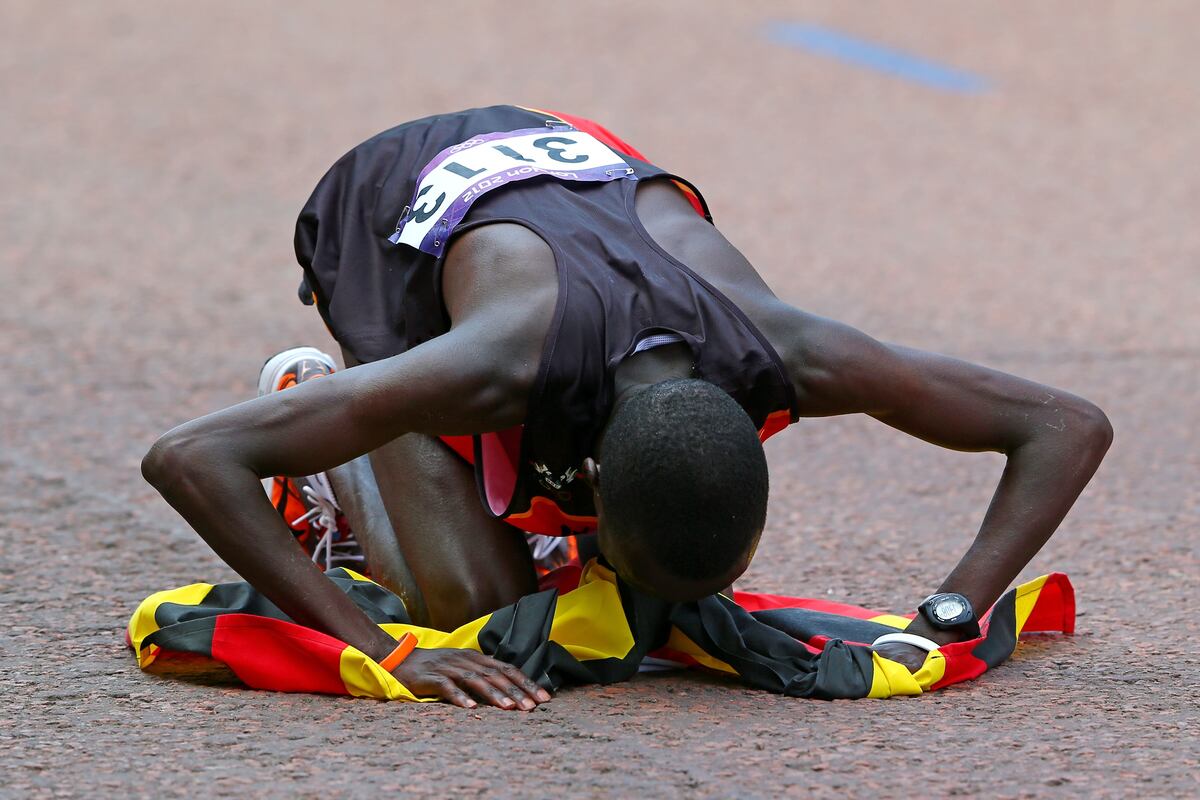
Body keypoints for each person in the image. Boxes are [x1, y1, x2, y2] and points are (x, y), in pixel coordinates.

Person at [141, 105, 1112, 710]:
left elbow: (1066, 424)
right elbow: (189, 457)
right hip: (383, 203)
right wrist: (382, 648)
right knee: (465, 605)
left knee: (617, 562)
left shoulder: (800, 354)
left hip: (580, 165)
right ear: (594, 476)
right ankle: (324, 408)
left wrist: (953, 610)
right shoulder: (485, 366)